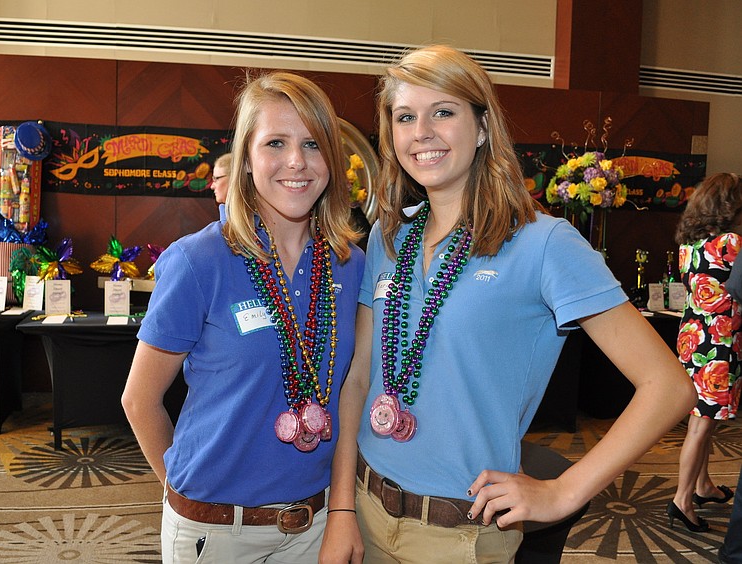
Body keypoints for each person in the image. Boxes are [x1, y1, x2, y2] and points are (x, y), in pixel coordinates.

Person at [318, 44, 695, 564]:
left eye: (443, 112)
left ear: (482, 126)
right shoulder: (388, 237)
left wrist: (564, 490)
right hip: (364, 508)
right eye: (405, 117)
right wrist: (341, 508)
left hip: (461, 535)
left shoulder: (545, 243)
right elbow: (360, 376)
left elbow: (669, 387)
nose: (421, 131)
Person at [123, 71, 364, 563]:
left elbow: (350, 396)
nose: (296, 162)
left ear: (332, 162)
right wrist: (188, 499)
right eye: (275, 142)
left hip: (313, 525)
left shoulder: (352, 265)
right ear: (247, 160)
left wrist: (341, 511)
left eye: (313, 144)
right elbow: (139, 399)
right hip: (215, 533)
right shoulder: (199, 261)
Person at [668, 172, 742, 533]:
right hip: (719, 344)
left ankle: (702, 485)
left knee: (702, 420)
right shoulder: (733, 242)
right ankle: (682, 500)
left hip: (693, 338)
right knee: (700, 426)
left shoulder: (688, 246)